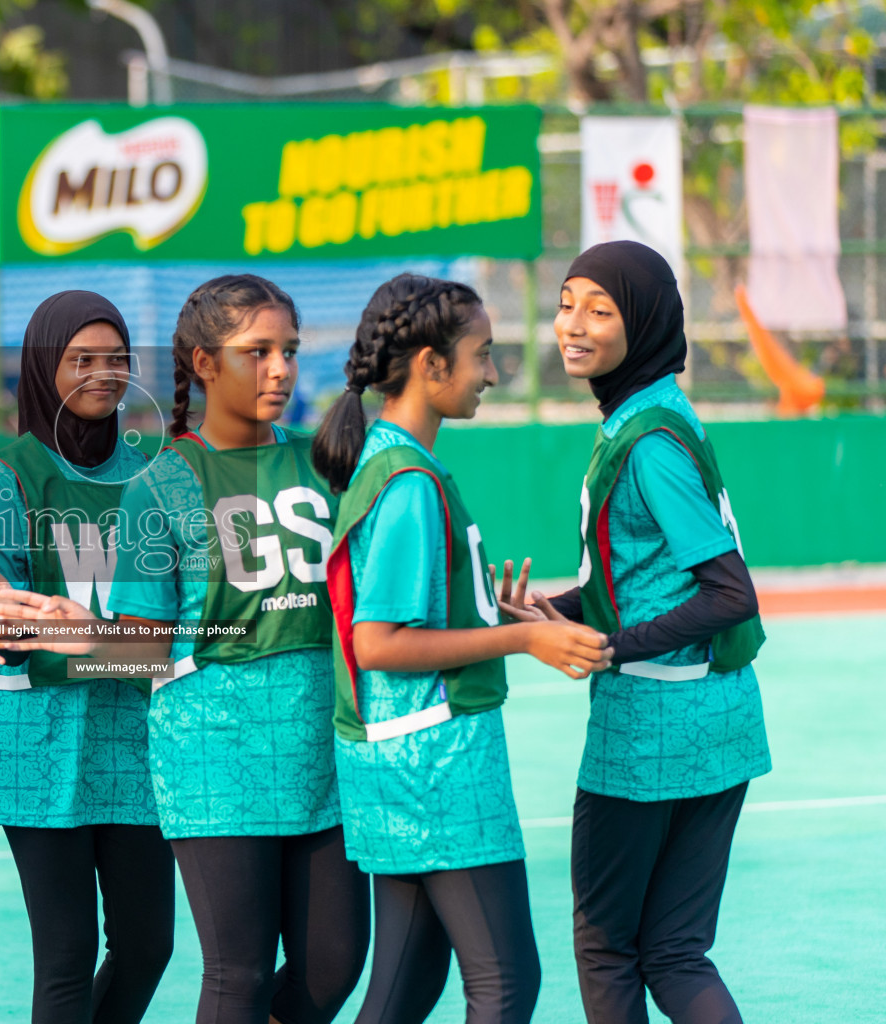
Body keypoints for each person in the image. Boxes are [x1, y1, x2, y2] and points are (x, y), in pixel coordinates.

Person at [0, 275, 370, 1024]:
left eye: (288, 351)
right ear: (202, 362)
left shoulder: (326, 462)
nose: (282, 369)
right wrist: (77, 631)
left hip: (322, 757)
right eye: (256, 351)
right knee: (239, 976)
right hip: (214, 761)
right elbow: (146, 648)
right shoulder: (158, 484)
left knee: (334, 965)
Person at [312, 274, 612, 1024]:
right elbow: (377, 642)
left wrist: (486, 610)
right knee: (506, 984)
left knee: (404, 984)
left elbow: (402, 618)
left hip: (399, 756)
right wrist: (523, 636)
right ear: (430, 365)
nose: (492, 373)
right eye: (482, 355)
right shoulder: (409, 479)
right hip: (435, 768)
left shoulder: (389, 460)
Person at [537, 240, 770, 1024]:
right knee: (675, 950)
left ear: (644, 322)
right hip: (720, 719)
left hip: (652, 726)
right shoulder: (655, 409)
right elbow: (642, 578)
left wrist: (610, 645)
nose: (573, 324)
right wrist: (553, 612)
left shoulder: (648, 443)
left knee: (610, 948)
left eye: (600, 310)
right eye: (568, 301)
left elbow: (728, 591)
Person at [0, 291, 174, 1024]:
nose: (105, 374)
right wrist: (15, 626)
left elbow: (165, 626)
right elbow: (1, 630)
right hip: (38, 743)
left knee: (147, 946)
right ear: (44, 368)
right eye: (82, 360)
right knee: (63, 958)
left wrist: (95, 638)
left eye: (118, 360)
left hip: (133, 738)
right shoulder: (5, 479)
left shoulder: (153, 474)